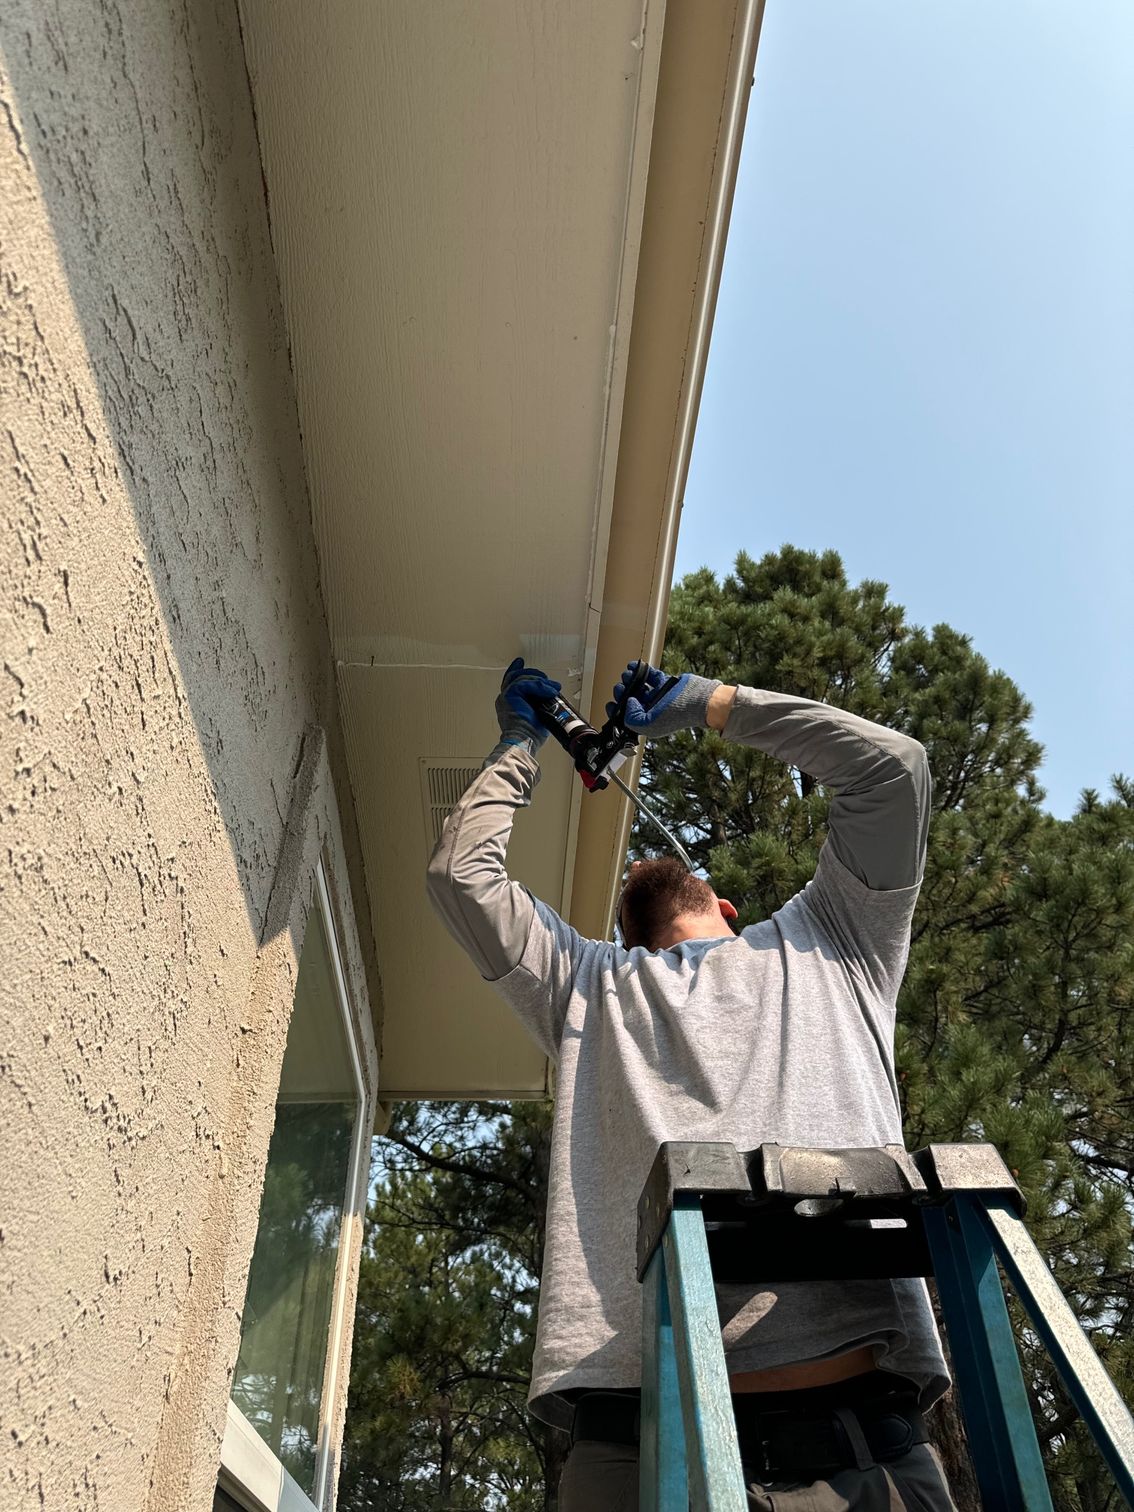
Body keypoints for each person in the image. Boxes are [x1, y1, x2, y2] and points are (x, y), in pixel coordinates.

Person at [427, 656, 957, 1511]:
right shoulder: (585, 987)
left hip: (859, 1450)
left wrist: (715, 707)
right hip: (635, 1451)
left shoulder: (837, 941)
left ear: (731, 911)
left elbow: (893, 771)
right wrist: (518, 746)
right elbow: (461, 875)